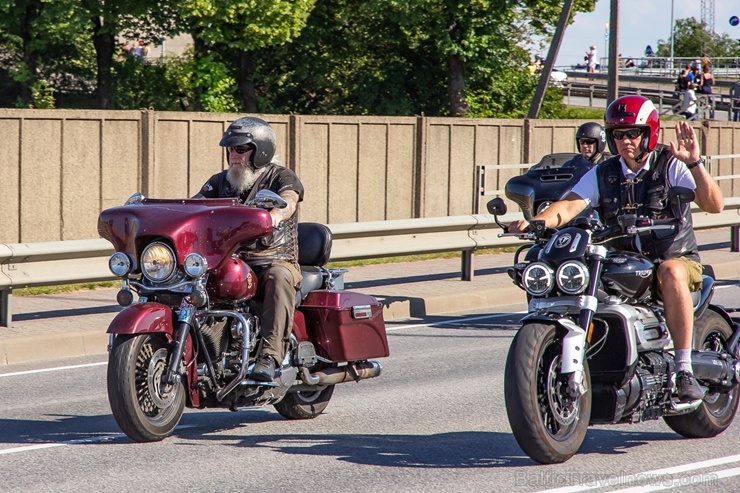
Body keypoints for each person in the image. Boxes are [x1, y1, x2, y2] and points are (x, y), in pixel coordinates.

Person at [508, 95, 724, 402]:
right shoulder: (604, 172)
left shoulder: (669, 164)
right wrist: (536, 223)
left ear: (649, 133)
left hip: (674, 256)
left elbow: (713, 204)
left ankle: (684, 369)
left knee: (670, 271)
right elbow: (570, 204)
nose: (626, 141)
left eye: (633, 133)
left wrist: (694, 163)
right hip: (625, 260)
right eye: (619, 135)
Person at [193, 116, 305, 382]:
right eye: (231, 149)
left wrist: (277, 213)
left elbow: (290, 199)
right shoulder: (220, 181)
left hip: (272, 259)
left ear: (260, 150)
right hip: (228, 261)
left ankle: (270, 355)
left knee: (279, 278)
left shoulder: (280, 176)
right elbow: (194, 205)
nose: (234, 155)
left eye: (241, 149)